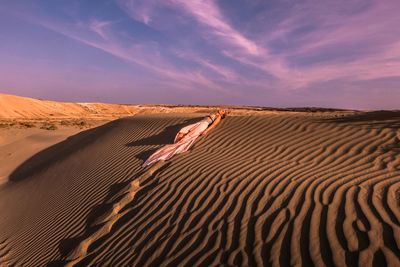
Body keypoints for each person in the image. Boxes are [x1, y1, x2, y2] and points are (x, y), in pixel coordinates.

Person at [142, 110, 227, 167]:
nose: (221, 110)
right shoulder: (214, 113)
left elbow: (213, 125)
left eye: (223, 111)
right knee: (182, 131)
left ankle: (176, 146)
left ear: (223, 114)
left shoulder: (218, 117)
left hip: (203, 125)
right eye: (222, 109)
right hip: (198, 123)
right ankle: (177, 143)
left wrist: (206, 131)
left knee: (188, 136)